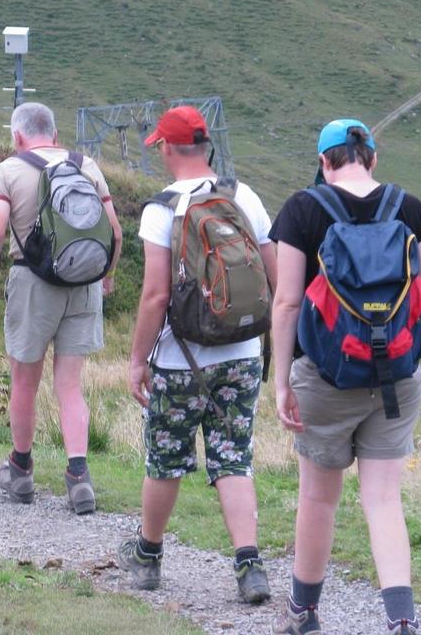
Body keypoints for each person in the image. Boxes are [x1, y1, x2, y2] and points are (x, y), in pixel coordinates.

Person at [269, 119, 421, 635]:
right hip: (398, 378)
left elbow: (286, 302)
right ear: (372, 157)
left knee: (319, 496)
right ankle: (401, 620)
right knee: (385, 499)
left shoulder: (303, 209)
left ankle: (304, 613)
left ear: (325, 162)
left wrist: (280, 382)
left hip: (326, 377)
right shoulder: (412, 209)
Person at [117, 106, 278, 602]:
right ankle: (249, 566)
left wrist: (137, 359)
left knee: (165, 458)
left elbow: (155, 296)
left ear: (167, 148)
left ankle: (148, 557)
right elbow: (274, 273)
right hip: (243, 352)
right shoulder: (242, 195)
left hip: (179, 359)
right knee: (233, 459)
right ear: (205, 147)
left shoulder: (161, 208)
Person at [0, 101, 123, 514]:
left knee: (25, 382)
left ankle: (21, 471)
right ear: (56, 136)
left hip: (31, 282)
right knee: (70, 385)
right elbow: (115, 231)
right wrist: (106, 275)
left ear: (17, 137)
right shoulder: (86, 165)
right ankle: (79, 476)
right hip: (84, 283)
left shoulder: (8, 169)